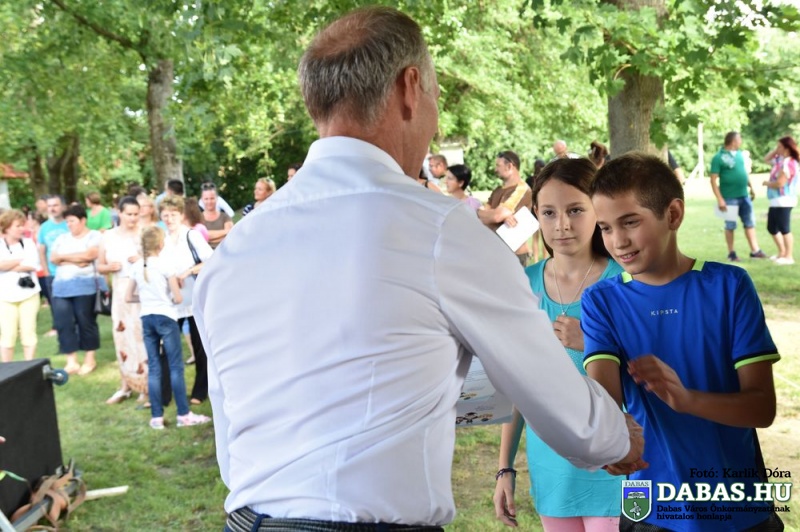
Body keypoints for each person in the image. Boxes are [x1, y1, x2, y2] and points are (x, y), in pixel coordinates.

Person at [194, 7, 643, 530]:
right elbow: (563, 407)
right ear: (411, 89)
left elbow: (230, 429)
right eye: (435, 95)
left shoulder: (236, 247)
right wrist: (623, 438)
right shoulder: (440, 231)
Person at [584, 152, 782, 531]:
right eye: (605, 228)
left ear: (673, 214)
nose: (617, 241)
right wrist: (608, 440)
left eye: (630, 222)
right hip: (650, 509)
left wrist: (688, 399)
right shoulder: (601, 301)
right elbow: (604, 402)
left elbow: (762, 409)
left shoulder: (729, 286)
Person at [495, 159, 623, 531]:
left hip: (616, 463)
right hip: (551, 464)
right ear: (535, 214)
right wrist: (505, 468)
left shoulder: (626, 281)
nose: (562, 224)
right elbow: (518, 386)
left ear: (598, 209)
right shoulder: (522, 284)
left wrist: (594, 344)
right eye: (549, 212)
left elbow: (657, 376)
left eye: (575, 210)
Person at [126, 226, 211, 430]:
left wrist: (145, 299)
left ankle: (156, 416)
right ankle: (183, 414)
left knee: (154, 367)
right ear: (160, 244)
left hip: (146, 317)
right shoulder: (165, 265)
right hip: (166, 315)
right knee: (175, 366)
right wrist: (167, 300)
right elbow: (178, 298)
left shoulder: (136, 267)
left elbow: (128, 297)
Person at [160, 196, 213, 405]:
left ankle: (200, 391)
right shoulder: (161, 238)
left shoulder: (191, 235)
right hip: (172, 300)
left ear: (181, 215)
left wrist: (188, 271)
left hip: (194, 297)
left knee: (200, 347)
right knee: (166, 347)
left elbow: (211, 261)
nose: (169, 219)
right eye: (165, 215)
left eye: (173, 214)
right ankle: (164, 394)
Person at [96, 196, 148, 404]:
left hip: (142, 291)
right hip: (119, 293)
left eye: (136, 214)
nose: (133, 218)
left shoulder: (145, 234)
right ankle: (125, 385)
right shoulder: (108, 236)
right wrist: (109, 267)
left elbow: (160, 260)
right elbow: (99, 266)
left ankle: (146, 385)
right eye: (129, 214)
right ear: (120, 213)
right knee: (122, 337)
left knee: (141, 336)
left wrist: (143, 260)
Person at [50, 204, 106, 375]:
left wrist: (64, 258)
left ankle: (90, 359)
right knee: (63, 323)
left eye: (72, 221)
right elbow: (54, 258)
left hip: (85, 286)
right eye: (67, 222)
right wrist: (76, 259)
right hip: (61, 287)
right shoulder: (62, 238)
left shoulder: (94, 236)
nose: (69, 225)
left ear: (82, 220)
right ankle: (71, 361)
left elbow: (89, 256)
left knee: (85, 321)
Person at [709, 131, 767, 261]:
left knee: (749, 223)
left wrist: (751, 188)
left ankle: (755, 251)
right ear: (733, 141)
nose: (741, 142)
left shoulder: (740, 155)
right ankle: (731, 254)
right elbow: (713, 180)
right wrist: (720, 199)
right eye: (739, 139)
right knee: (730, 225)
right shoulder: (718, 157)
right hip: (729, 198)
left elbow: (744, 173)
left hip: (744, 196)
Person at [478, 150, 536, 266]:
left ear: (509, 166)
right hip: (495, 252)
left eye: (498, 166)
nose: (495, 169)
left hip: (514, 256)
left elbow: (496, 216)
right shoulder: (497, 190)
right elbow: (479, 215)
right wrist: (498, 216)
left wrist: (494, 215)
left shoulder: (522, 189)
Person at [0, 210, 42, 362]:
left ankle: (29, 365)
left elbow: (32, 264)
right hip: (5, 296)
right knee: (8, 334)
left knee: (28, 332)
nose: (21, 229)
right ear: (7, 227)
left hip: (29, 294)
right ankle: (7, 367)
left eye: (22, 225)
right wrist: (19, 260)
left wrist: (7, 265)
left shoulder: (28, 243)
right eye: (17, 226)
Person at [762, 136, 798, 265]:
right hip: (776, 200)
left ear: (787, 148)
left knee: (784, 228)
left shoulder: (789, 163)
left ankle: (789, 256)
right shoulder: (780, 160)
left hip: (785, 200)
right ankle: (782, 253)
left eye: (780, 147)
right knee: (772, 227)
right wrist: (776, 150)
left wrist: (767, 183)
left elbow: (780, 183)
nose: (777, 149)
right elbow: (766, 159)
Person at [37, 195, 69, 338]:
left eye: (55, 205)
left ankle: (74, 326)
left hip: (70, 271)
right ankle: (57, 327)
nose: (52, 208)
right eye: (50, 206)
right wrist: (46, 271)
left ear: (63, 207)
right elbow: (41, 251)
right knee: (55, 302)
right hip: (52, 272)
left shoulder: (69, 224)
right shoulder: (44, 228)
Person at [200, 183, 233, 249]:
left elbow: (231, 235)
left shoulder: (225, 216)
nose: (209, 202)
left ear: (217, 199)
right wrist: (225, 232)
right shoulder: (197, 218)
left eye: (212, 198)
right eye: (206, 199)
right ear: (202, 200)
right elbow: (200, 237)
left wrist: (209, 237)